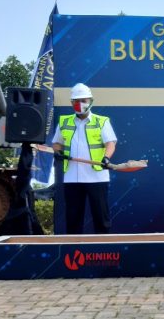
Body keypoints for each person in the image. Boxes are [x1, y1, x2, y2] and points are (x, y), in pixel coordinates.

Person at [52, 83, 117, 234]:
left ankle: (104, 249)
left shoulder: (102, 121)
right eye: (76, 101)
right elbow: (56, 143)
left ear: (91, 101)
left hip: (97, 176)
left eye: (84, 100)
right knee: (73, 220)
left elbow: (110, 143)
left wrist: (106, 158)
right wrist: (58, 152)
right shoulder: (64, 122)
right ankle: (74, 249)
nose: (80, 104)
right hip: (72, 178)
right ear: (71, 103)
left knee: (101, 219)